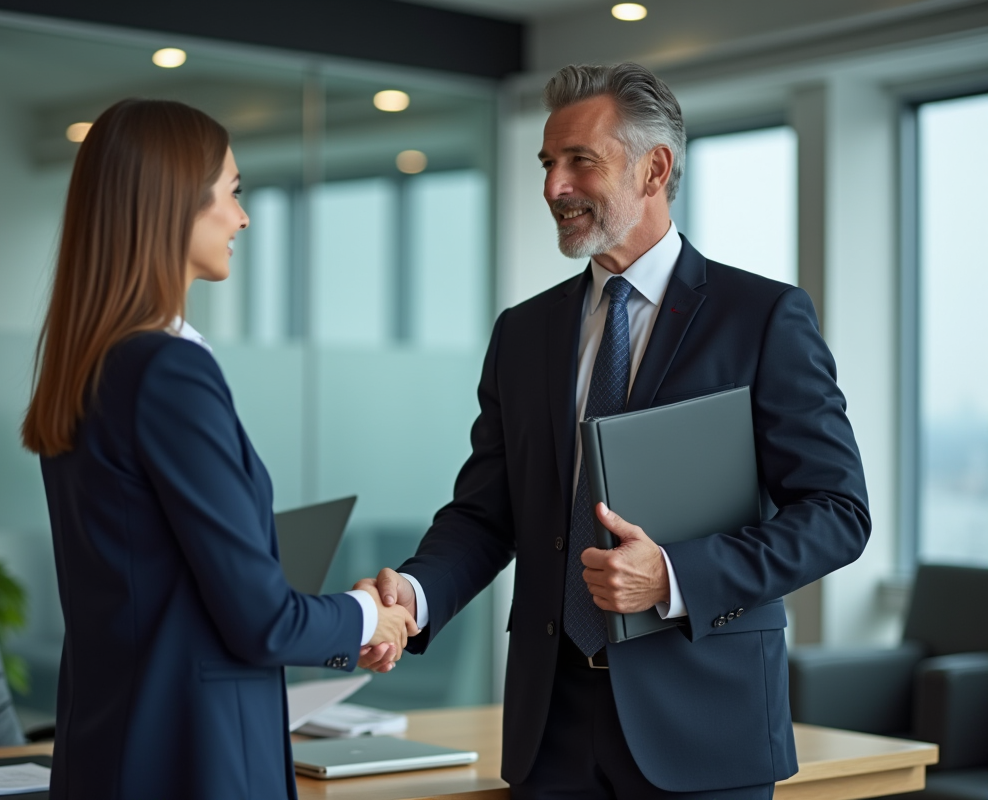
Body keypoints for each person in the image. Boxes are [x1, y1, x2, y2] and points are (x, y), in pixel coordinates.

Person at [355, 63, 870, 799]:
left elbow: (837, 515)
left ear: (654, 168)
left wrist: (674, 576)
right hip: (550, 727)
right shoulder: (523, 333)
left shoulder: (762, 319)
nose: (552, 187)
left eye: (579, 162)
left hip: (704, 727)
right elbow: (486, 513)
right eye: (547, 163)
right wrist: (413, 593)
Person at [21, 98, 417, 800]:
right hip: (190, 765)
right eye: (232, 194)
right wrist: (364, 615)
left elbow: (164, 585)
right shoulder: (167, 371)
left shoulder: (91, 366)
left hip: (113, 755)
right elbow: (260, 621)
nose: (243, 218)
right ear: (173, 205)